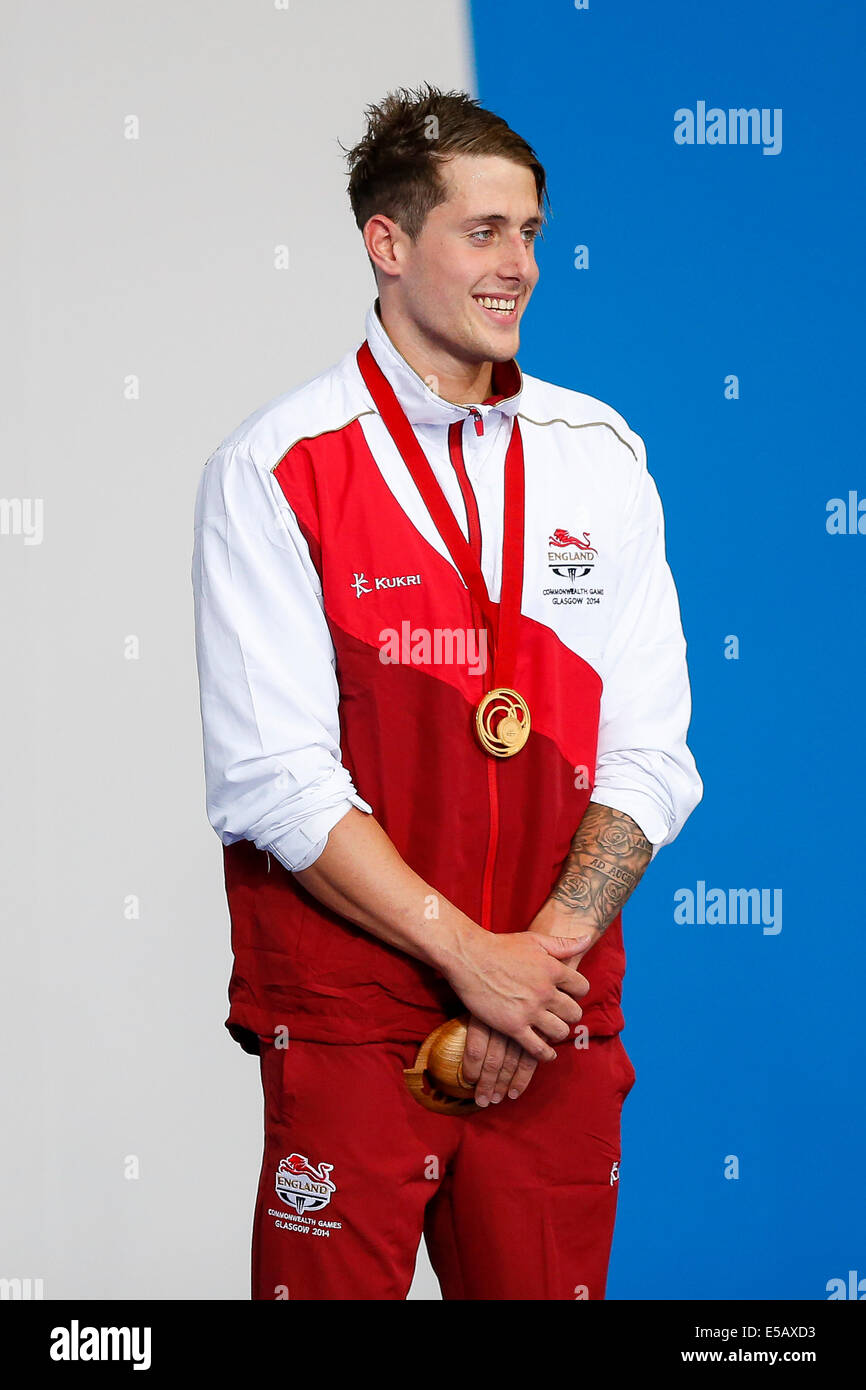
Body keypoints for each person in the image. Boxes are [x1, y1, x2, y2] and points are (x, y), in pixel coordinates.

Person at [191, 82, 702, 1301]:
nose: (519, 263)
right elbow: (275, 778)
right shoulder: (274, 467)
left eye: (529, 231)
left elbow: (650, 757)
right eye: (482, 232)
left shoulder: (601, 455)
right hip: (352, 1018)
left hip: (552, 1016)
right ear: (386, 243)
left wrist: (534, 969)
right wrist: (472, 961)